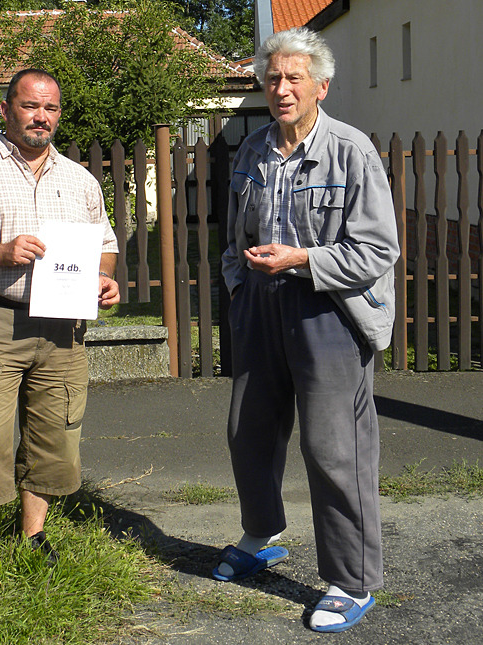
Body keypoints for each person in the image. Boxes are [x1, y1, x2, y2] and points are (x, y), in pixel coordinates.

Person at [215, 28, 399, 633]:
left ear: (321, 86)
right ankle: (260, 535)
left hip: (329, 308)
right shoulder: (251, 150)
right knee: (249, 431)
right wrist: (239, 287)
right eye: (273, 78)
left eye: (295, 78)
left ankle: (352, 579)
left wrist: (301, 260)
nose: (282, 88)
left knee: (333, 449)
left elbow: (377, 249)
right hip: (259, 305)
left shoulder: (351, 151)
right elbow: (233, 237)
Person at [0, 68, 120, 586]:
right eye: (31, 106)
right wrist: (1, 252)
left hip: (63, 326)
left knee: (55, 432)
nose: (41, 117)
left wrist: (104, 278)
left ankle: (34, 535)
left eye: (51, 108)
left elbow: (105, 244)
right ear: (7, 109)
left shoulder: (79, 180)